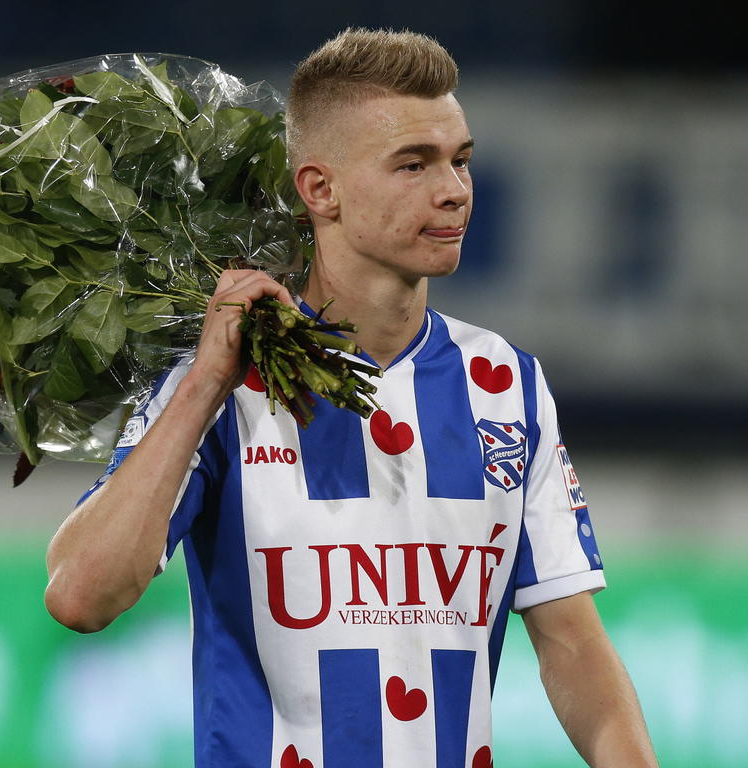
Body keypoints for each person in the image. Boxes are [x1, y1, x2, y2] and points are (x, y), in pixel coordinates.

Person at [45, 28, 658, 767]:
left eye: (461, 160)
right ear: (320, 189)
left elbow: (571, 643)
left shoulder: (505, 383)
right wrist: (206, 383)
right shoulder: (225, 379)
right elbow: (81, 597)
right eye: (414, 164)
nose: (454, 190)